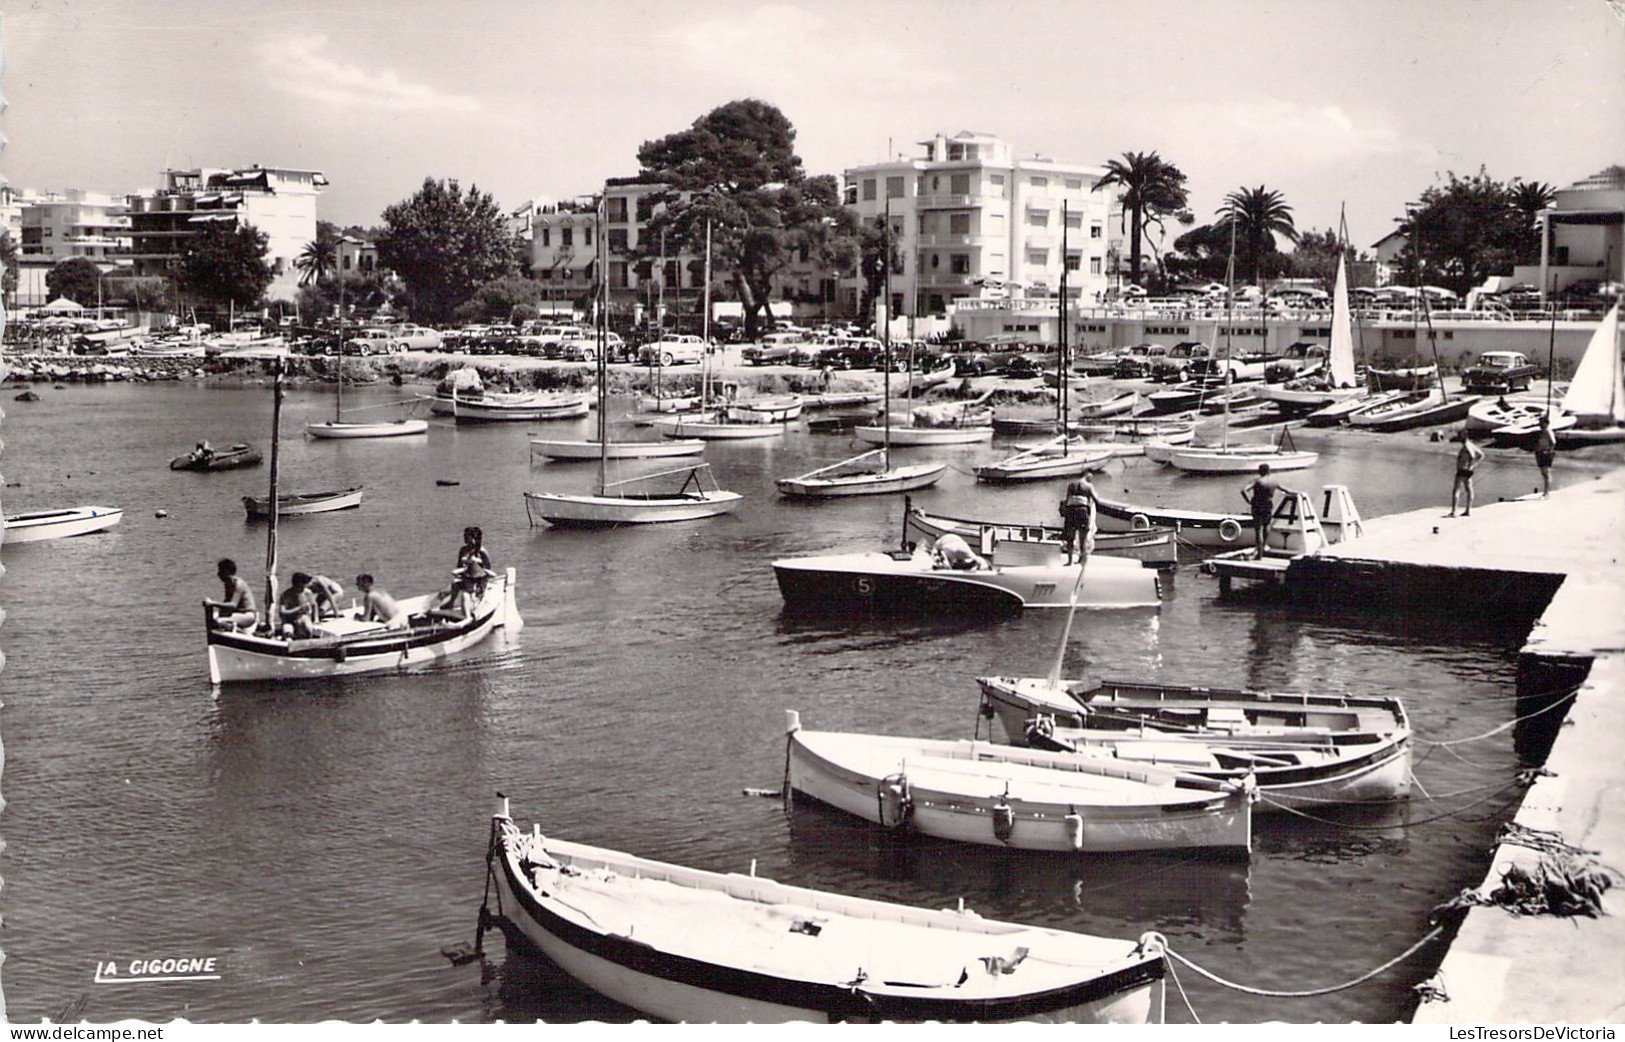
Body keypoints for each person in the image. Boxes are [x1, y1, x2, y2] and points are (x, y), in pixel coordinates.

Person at [203, 557, 257, 632]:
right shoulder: (228, 584)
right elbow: (227, 602)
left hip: (247, 616)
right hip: (237, 613)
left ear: (227, 571)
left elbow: (233, 605)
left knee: (219, 621)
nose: (218, 573)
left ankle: (244, 633)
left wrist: (212, 603)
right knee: (214, 617)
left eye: (220, 570)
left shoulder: (238, 584)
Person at [1240, 463, 1280, 558]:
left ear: (1260, 471)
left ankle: (1260, 554)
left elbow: (1244, 490)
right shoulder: (1274, 481)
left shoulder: (1257, 481)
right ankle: (1263, 548)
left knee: (1258, 530)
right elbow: (1285, 490)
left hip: (1258, 505)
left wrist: (1249, 501)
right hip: (1268, 504)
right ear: (1269, 471)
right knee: (1266, 526)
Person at [1058, 475, 1098, 566]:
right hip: (1082, 511)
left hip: (1071, 511)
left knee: (1070, 539)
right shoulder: (1088, 486)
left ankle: (1069, 561)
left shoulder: (1071, 485)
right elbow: (1096, 500)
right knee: (1082, 539)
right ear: (1089, 478)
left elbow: (1067, 499)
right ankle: (1082, 560)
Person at [1448, 431, 1486, 517]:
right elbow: (1481, 455)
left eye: (1460, 437)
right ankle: (1467, 510)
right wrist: (1472, 466)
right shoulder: (1471, 445)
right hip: (1467, 471)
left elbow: (1473, 456)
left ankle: (1454, 511)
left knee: (1456, 490)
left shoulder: (1467, 446)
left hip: (1462, 470)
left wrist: (1471, 465)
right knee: (1469, 490)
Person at [277, 572, 319, 638]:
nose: (304, 586)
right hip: (289, 620)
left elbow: (314, 605)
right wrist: (298, 609)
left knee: (308, 628)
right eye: (302, 584)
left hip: (303, 617)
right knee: (287, 632)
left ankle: (308, 641)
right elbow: (282, 612)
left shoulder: (307, 593)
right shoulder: (286, 595)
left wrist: (316, 619)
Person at [456, 526, 493, 596]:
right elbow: (459, 566)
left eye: (466, 536)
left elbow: (488, 567)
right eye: (464, 535)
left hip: (478, 579)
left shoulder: (481, 551)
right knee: (454, 585)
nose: (464, 537)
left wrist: (477, 562)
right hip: (466, 577)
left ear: (473, 538)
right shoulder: (463, 550)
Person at [1534, 415, 1556, 498]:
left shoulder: (1548, 431)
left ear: (1546, 423)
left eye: (1541, 422)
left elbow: (1553, 442)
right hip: (1540, 453)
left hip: (1545, 454)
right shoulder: (1542, 431)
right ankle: (1545, 492)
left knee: (1546, 473)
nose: (1539, 424)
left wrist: (1548, 451)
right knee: (1543, 473)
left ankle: (1547, 493)